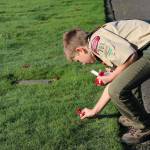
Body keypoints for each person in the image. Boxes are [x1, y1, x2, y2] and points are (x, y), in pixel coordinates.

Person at [63, 19, 150, 144]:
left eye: (78, 60)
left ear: (80, 50)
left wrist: (111, 76)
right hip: (145, 47)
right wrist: (95, 111)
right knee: (120, 83)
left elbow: (131, 56)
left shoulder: (96, 43)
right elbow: (114, 83)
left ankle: (144, 127)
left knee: (117, 89)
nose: (82, 64)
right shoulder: (96, 43)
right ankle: (137, 117)